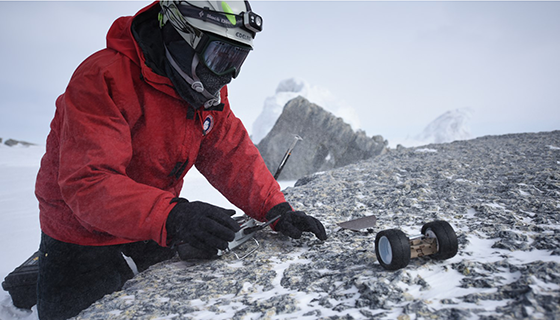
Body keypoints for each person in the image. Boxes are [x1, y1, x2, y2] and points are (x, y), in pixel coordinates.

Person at [34, 1, 327, 319]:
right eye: (220, 57)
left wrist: (276, 210)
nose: (226, 77)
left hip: (152, 220)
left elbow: (230, 153)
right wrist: (173, 217)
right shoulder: (103, 78)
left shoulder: (200, 89)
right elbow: (89, 184)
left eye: (236, 60)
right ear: (180, 36)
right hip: (82, 232)